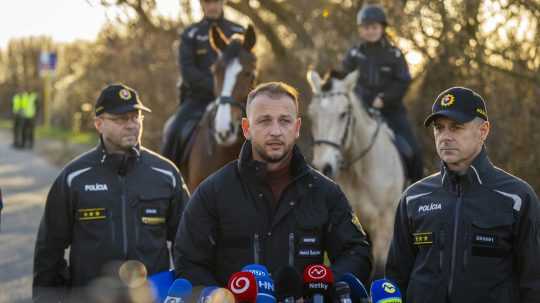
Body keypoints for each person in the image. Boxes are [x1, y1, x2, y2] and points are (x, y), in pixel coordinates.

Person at [173, 82, 373, 287]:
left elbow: (356, 254)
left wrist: (322, 288)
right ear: (246, 128)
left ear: (297, 128)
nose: (275, 131)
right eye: (264, 121)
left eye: (285, 121)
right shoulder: (212, 193)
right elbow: (188, 262)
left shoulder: (326, 193)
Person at [33, 84, 190, 302]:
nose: (131, 125)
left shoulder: (166, 174)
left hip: (151, 297)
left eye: (135, 117)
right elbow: (49, 249)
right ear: (99, 124)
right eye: (120, 119)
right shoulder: (74, 177)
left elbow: (188, 244)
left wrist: (184, 293)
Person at [385, 87, 540, 302]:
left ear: (483, 130)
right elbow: (395, 279)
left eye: (456, 127)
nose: (445, 137)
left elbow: (534, 283)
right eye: (439, 128)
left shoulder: (517, 198)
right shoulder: (413, 198)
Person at [342, 4, 423, 182]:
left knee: (413, 151)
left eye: (374, 27)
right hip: (360, 112)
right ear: (360, 30)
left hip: (391, 111)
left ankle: (415, 191)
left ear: (382, 28)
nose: (370, 31)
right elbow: (344, 80)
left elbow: (403, 81)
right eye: (366, 27)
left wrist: (384, 98)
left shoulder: (394, 54)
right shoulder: (353, 55)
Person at [161, 0, 245, 165]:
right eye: (208, 2)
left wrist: (230, 92)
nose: (212, 6)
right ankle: (167, 181)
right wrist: (219, 89)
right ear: (201, 4)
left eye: (216, 2)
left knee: (263, 127)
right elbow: (188, 72)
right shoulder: (190, 34)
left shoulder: (239, 31)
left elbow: (247, 68)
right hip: (198, 99)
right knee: (174, 130)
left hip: (235, 100)